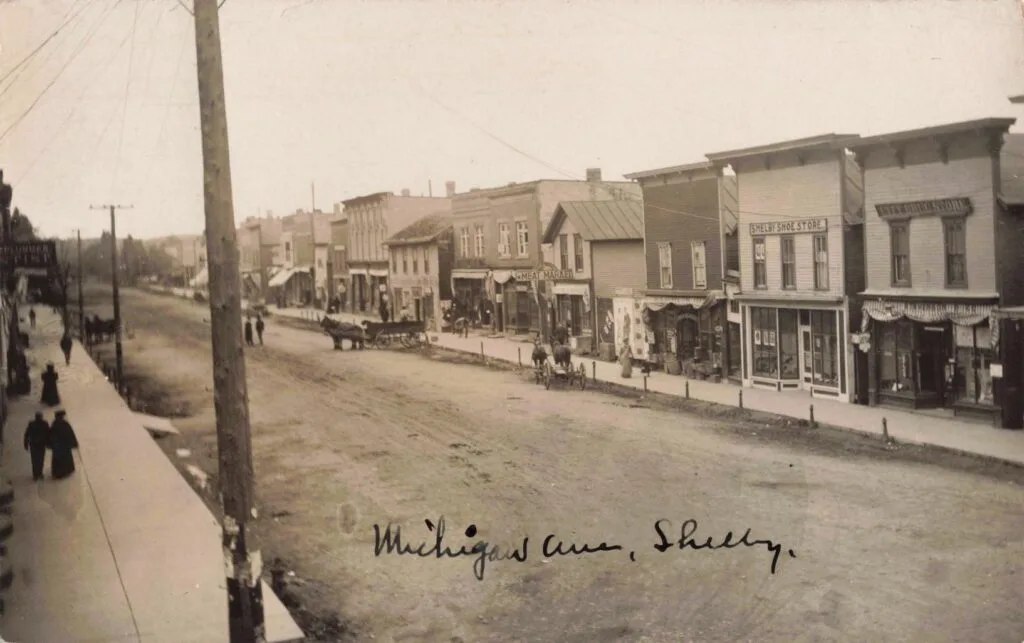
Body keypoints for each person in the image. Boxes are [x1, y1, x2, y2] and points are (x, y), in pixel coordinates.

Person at [48, 410, 78, 480]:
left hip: (57, 446)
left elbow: (51, 434)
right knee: (65, 458)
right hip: (65, 445)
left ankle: (58, 472)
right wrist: (74, 443)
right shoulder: (65, 424)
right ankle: (66, 471)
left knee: (57, 459)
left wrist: (50, 444)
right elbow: (70, 433)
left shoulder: (54, 424)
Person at [24, 411, 50, 481]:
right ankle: (39, 473)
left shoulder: (32, 424)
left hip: (34, 444)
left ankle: (36, 474)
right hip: (40, 444)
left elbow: (26, 435)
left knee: (35, 460)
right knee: (40, 459)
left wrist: (26, 444)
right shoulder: (44, 424)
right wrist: (48, 443)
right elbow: (48, 434)